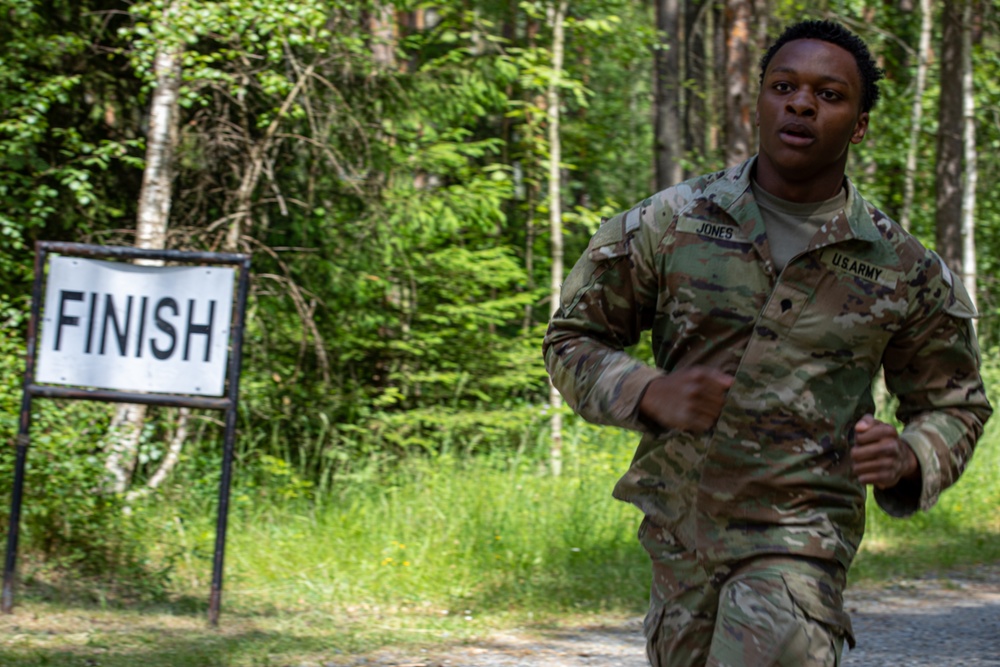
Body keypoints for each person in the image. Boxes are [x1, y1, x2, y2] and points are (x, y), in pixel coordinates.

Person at [543, 19, 992, 667]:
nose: (802, 103)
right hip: (681, 528)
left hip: (801, 534)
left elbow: (957, 403)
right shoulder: (669, 223)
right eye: (784, 86)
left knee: (774, 645)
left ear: (859, 125)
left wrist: (911, 454)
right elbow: (573, 339)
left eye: (830, 95)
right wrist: (647, 389)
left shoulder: (902, 263)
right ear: (758, 101)